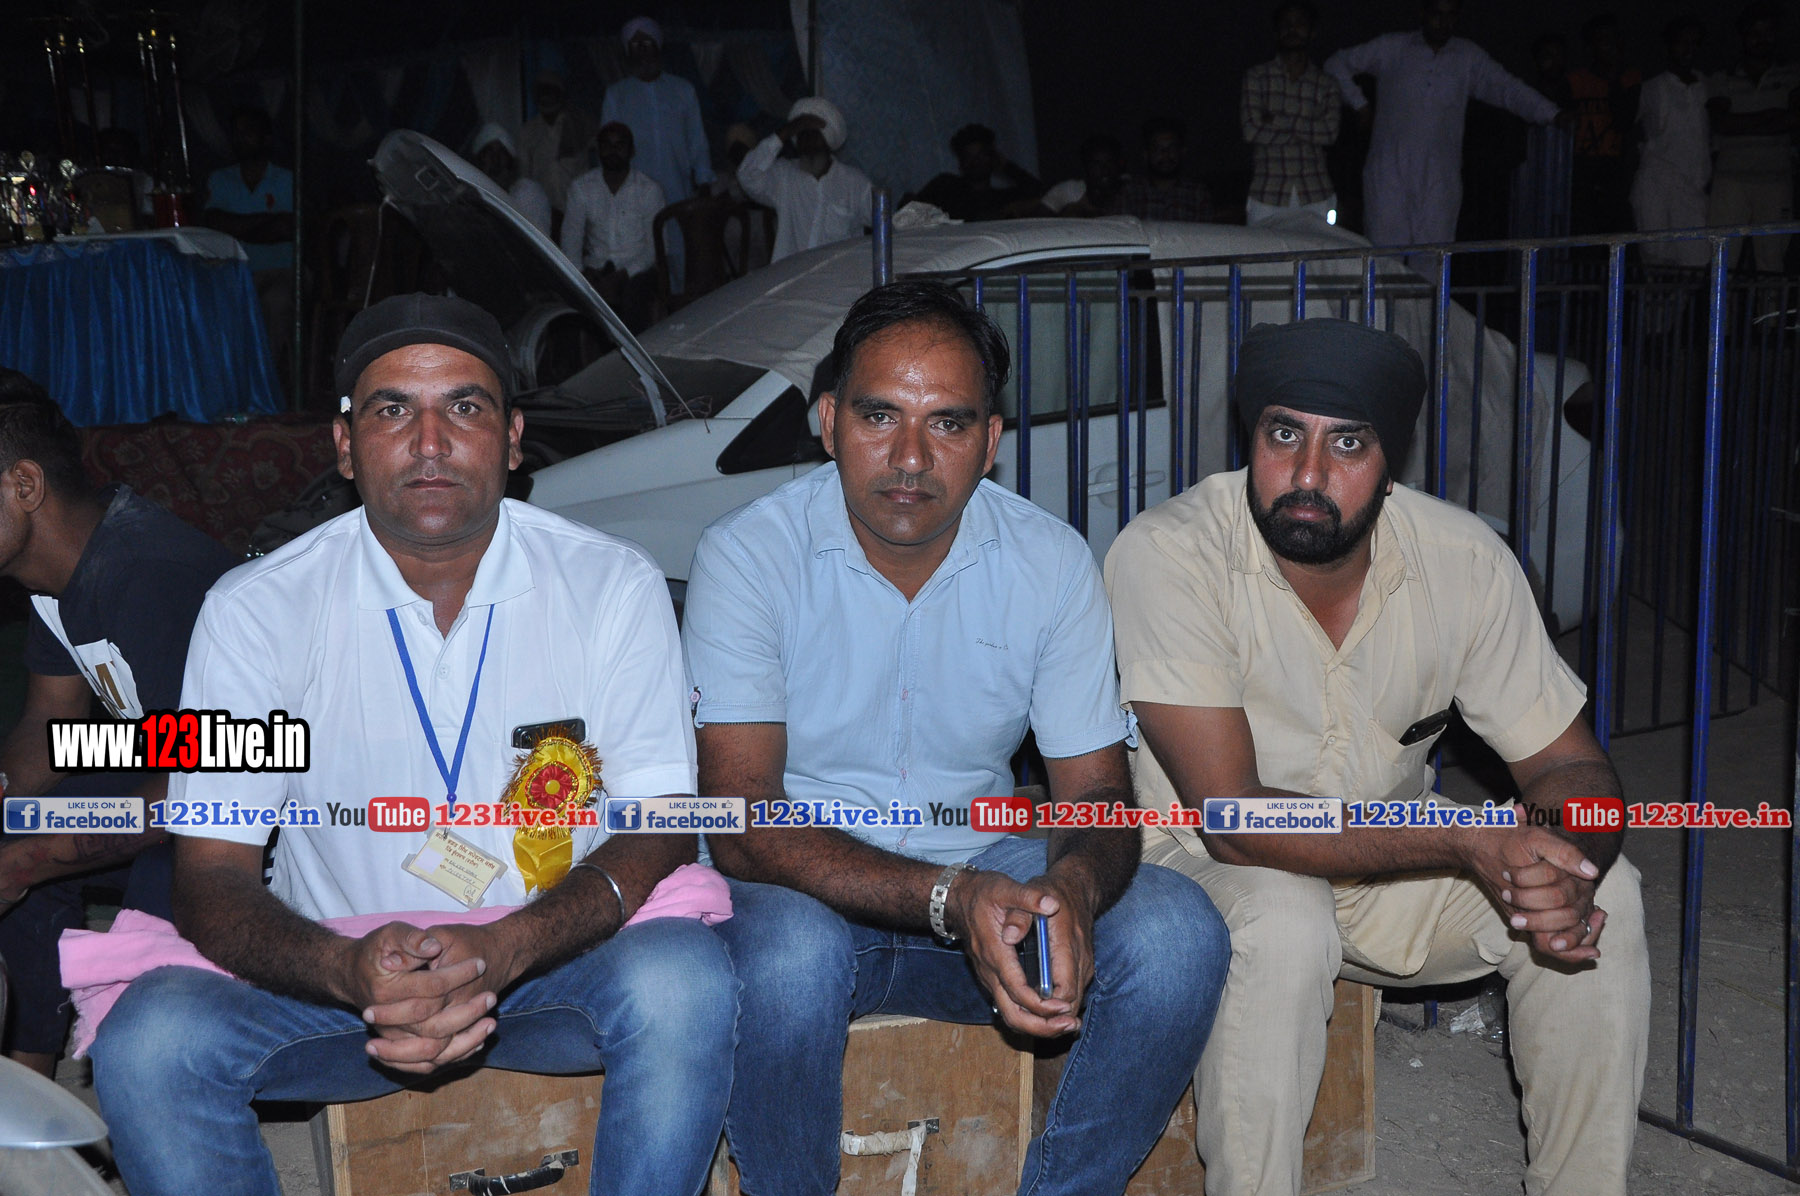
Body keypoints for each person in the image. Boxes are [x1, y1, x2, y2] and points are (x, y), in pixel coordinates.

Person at [86, 294, 735, 1196]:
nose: (431, 443)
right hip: (339, 993)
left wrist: (507, 947)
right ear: (345, 445)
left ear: (513, 438)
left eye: (464, 407)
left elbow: (659, 824)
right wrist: (345, 970)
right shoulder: (256, 610)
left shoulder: (609, 586)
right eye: (393, 409)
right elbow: (212, 871)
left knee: (683, 981)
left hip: (550, 970)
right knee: (152, 1040)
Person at [684, 279, 1230, 1196]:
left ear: (990, 442)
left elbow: (1097, 796)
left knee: (1177, 934)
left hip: (982, 876)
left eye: (947, 423)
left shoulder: (1049, 561)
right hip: (801, 896)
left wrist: (1071, 888)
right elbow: (744, 823)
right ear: (829, 422)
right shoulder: (748, 556)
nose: (910, 457)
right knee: (789, 958)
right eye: (879, 416)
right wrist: (951, 896)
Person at [1105, 317, 1650, 1196]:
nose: (1309, 473)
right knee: (1284, 913)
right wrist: (1466, 841)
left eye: (1348, 444)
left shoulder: (1463, 559)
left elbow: (1569, 769)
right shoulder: (1170, 553)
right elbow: (1232, 819)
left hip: (1388, 868)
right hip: (1203, 867)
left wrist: (1569, 865)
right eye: (1284, 435)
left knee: (1609, 888)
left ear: (1392, 462)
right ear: (1251, 441)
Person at [0, 370, 238, 1077]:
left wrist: (27, 859)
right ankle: (28, 1079)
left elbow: (210, 784)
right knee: (17, 826)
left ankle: (146, 1064)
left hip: (273, 805)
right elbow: (51, 725)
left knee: (148, 913)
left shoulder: (148, 574)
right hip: (177, 769)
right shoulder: (57, 573)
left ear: (25, 485)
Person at [1325, 0, 1569, 250]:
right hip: (1389, 169)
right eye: (1437, 14)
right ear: (1423, 13)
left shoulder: (1467, 56)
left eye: (1451, 15)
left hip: (1441, 174)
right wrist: (1359, 105)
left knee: (1434, 254)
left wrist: (1551, 113)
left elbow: (1507, 88)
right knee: (1384, 254)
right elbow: (1336, 64)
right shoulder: (1393, 47)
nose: (1443, 23)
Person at [601, 17, 715, 293]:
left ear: (658, 46)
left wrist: (704, 185)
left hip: (678, 191)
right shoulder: (617, 95)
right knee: (640, 263)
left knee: (679, 258)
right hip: (634, 195)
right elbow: (608, 147)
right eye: (635, 45)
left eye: (647, 42)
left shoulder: (683, 90)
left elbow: (697, 142)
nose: (642, 50)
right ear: (628, 52)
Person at [201, 105, 295, 384]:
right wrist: (267, 222)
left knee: (277, 301)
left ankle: (264, 381)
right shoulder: (220, 179)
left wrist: (238, 226)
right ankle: (223, 381)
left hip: (282, 270)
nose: (241, 139)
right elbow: (215, 224)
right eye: (236, 133)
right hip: (232, 271)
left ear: (266, 137)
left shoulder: (287, 178)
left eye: (249, 132)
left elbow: (287, 228)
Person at [1707, 3, 1800, 274]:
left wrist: (1743, 121)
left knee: (1771, 263)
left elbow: (1795, 118)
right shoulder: (1723, 75)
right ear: (1743, 36)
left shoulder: (1792, 74)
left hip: (1775, 180)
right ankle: (1720, 305)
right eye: (1755, 33)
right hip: (1730, 180)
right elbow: (1722, 123)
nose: (1762, 39)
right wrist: (1773, 116)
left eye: (1768, 32)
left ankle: (1768, 307)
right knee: (1722, 261)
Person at [1241, 0, 1342, 226]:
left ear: (1312, 32)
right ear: (1276, 32)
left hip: (1316, 192)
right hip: (1267, 192)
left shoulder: (1327, 84)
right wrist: (1308, 130)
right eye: (1285, 24)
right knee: (1262, 250)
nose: (1292, 29)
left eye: (1299, 23)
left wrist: (1276, 120)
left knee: (1320, 250)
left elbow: (1329, 134)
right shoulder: (1257, 77)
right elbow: (1251, 131)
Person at [736, 97, 872, 262]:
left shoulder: (855, 183)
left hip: (837, 276)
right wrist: (784, 132)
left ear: (828, 138)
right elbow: (747, 175)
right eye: (801, 132)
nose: (807, 138)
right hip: (790, 275)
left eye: (813, 133)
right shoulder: (784, 176)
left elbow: (886, 225)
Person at [560, 122, 666, 332]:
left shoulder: (648, 190)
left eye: (620, 145)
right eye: (607, 145)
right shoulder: (581, 188)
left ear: (631, 151)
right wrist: (582, 275)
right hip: (595, 269)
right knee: (569, 298)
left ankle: (632, 352)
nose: (613, 150)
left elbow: (655, 250)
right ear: (598, 150)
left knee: (634, 295)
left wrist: (623, 275)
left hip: (637, 271)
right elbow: (570, 242)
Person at [1634, 15, 1713, 268]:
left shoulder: (1708, 86)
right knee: (1656, 260)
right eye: (1682, 42)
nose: (1688, 49)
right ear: (1669, 46)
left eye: (1694, 43)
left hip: (1693, 187)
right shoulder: (1651, 87)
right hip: (1656, 183)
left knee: (1697, 260)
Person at [1566, 14, 1643, 236]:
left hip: (1616, 171)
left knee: (1617, 235)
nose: (1609, 46)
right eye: (1602, 40)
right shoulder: (1575, 81)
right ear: (1591, 46)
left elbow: (1624, 121)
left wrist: (1614, 77)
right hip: (1581, 172)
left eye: (1613, 39)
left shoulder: (1631, 78)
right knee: (1583, 235)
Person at [912, 123, 1044, 221]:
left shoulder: (1003, 198)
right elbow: (910, 209)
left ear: (993, 158)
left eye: (981, 155)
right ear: (961, 162)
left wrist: (1007, 167)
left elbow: (1044, 195)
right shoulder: (945, 187)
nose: (976, 162)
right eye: (969, 156)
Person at [517, 71, 598, 217]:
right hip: (543, 213)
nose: (546, 97)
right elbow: (524, 179)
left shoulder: (580, 125)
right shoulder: (527, 132)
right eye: (542, 92)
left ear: (560, 95)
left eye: (551, 92)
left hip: (577, 211)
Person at [1118, 117, 1214, 222]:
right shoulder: (1130, 192)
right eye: (1158, 149)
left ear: (1182, 151)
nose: (1165, 154)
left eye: (1172, 148)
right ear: (1146, 154)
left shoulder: (1198, 193)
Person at [469, 122, 553, 239]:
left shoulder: (527, 193)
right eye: (489, 152)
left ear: (511, 161)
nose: (495, 160)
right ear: (479, 161)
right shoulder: (469, 199)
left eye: (502, 153)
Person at [1039, 133, 1124, 216]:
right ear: (1086, 166)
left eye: (1109, 162)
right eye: (1096, 163)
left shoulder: (1129, 192)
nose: (1105, 169)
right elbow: (1038, 219)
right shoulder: (1069, 191)